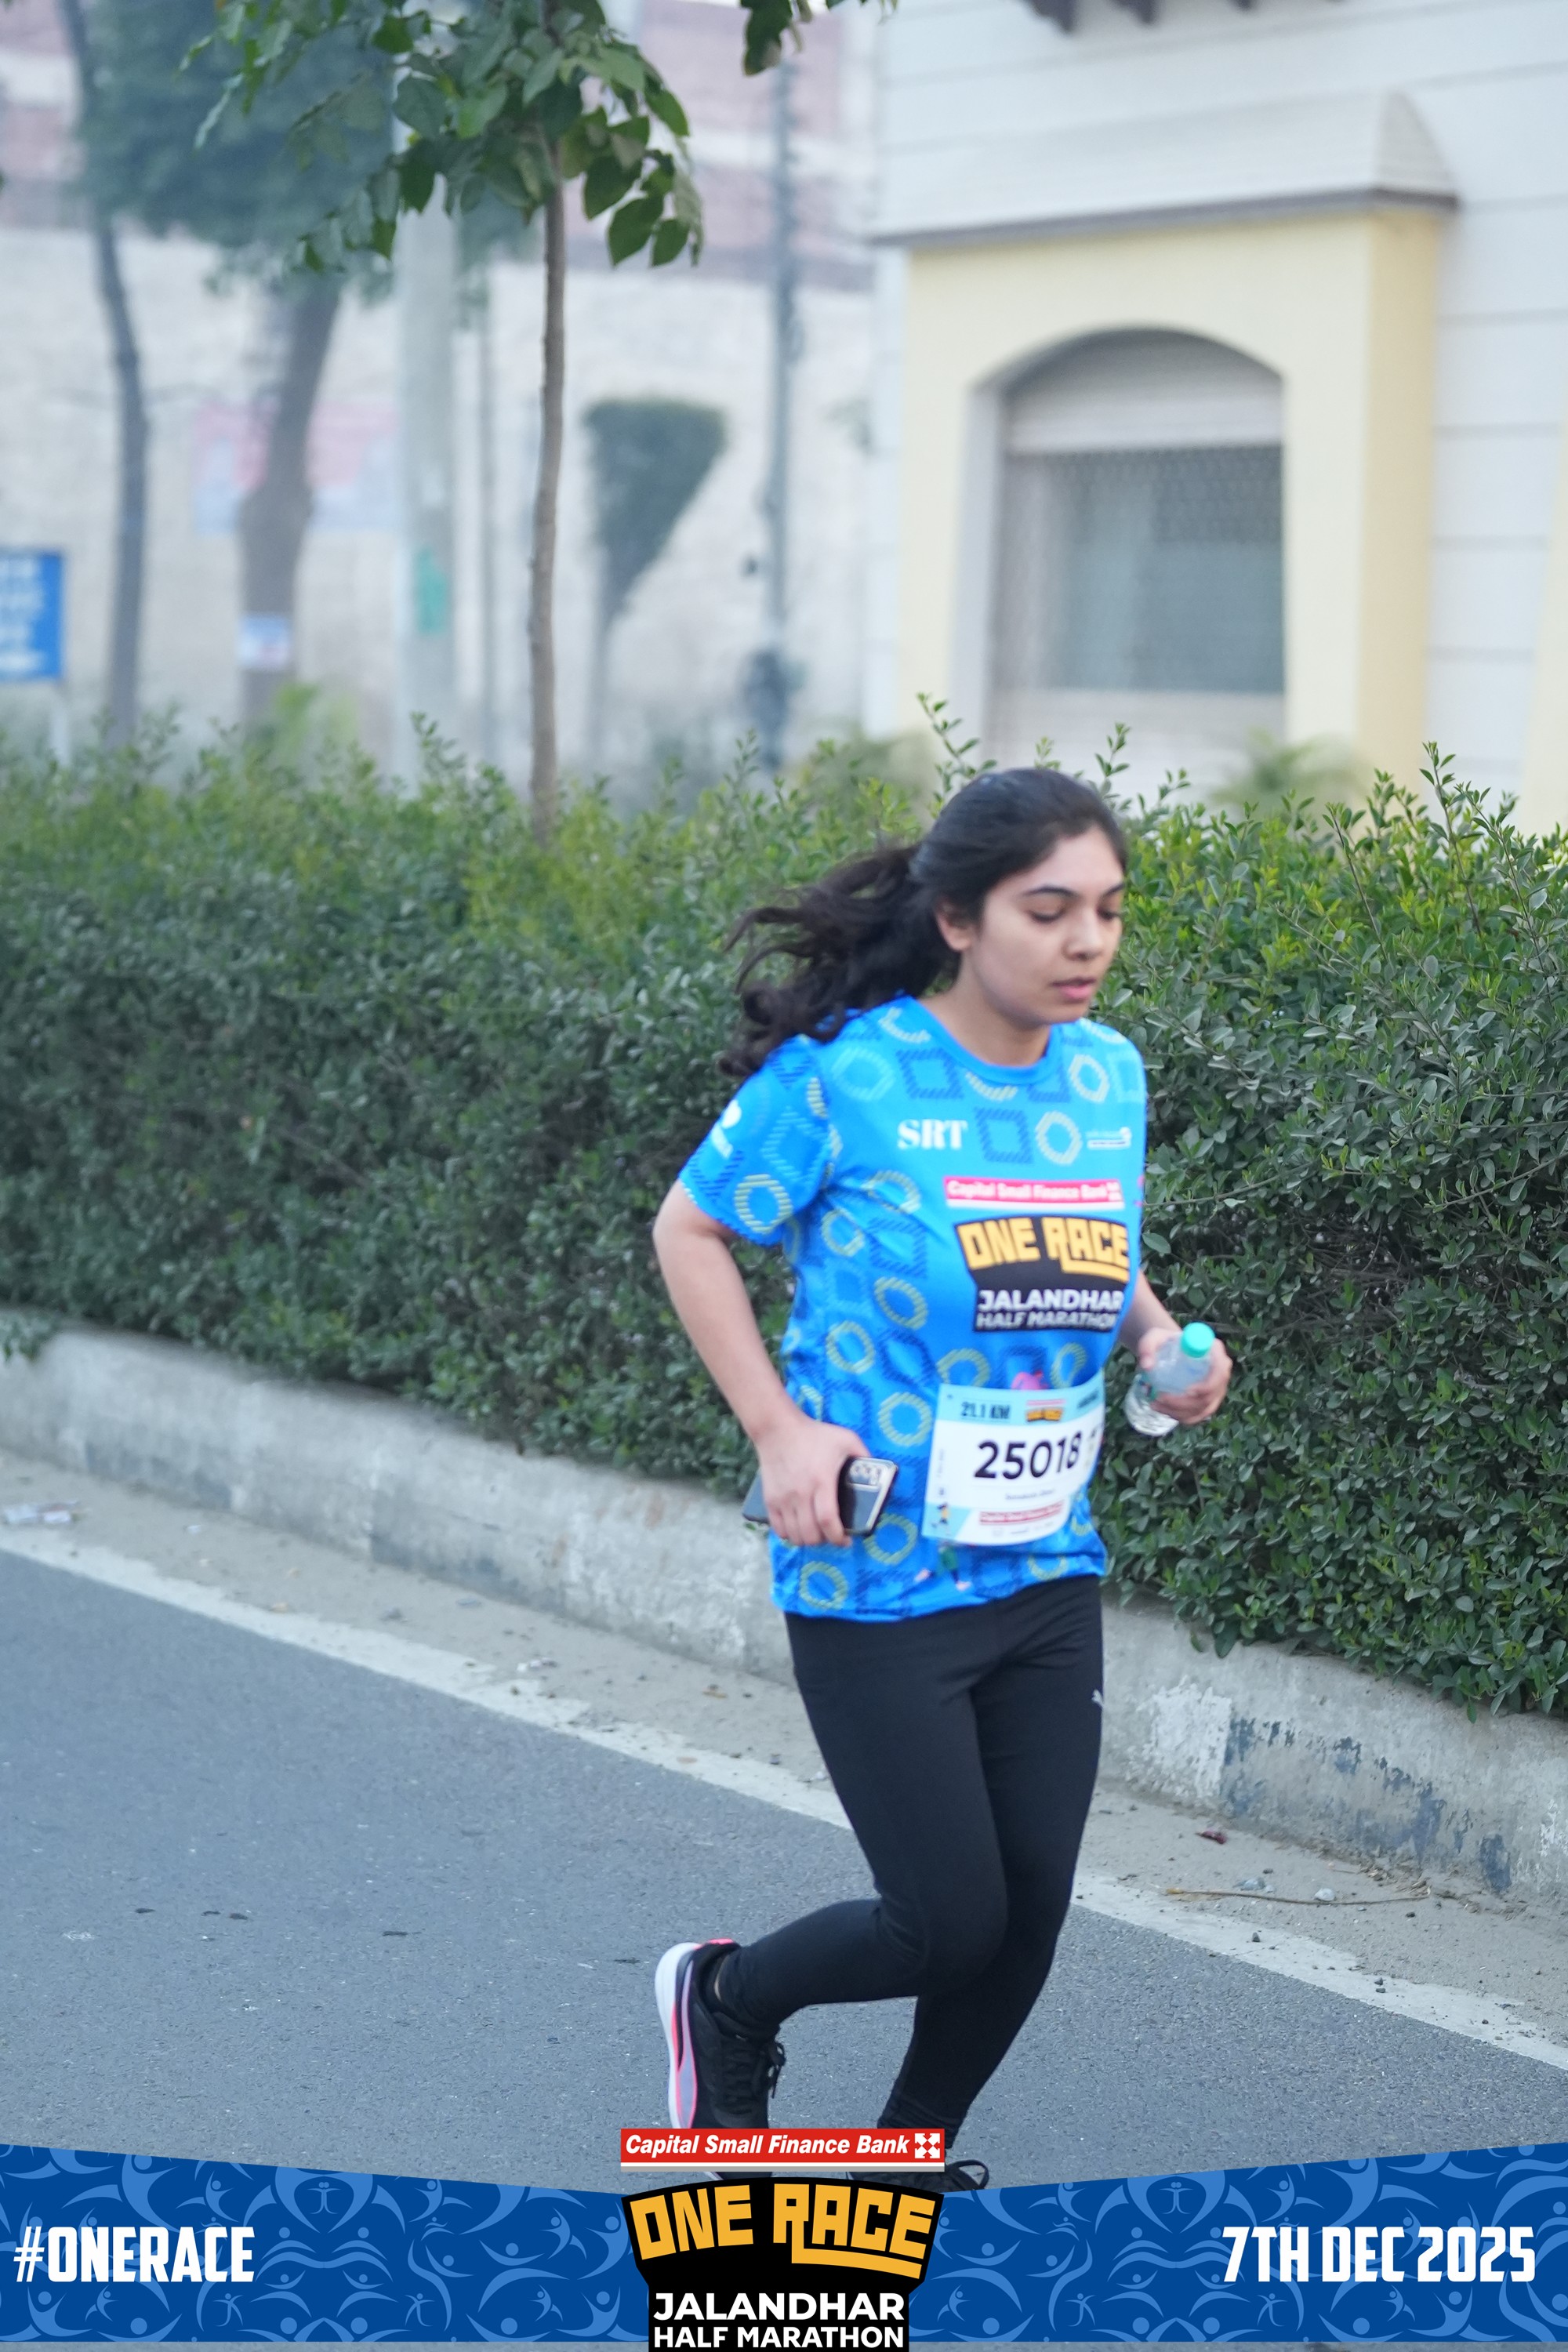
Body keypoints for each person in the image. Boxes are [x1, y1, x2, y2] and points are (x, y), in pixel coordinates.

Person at [649, 767, 1232, 2189]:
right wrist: (779, 1431)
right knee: (944, 1919)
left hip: (1044, 1560)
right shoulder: (847, 1076)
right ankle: (724, 1998)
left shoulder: (1106, 1076)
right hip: (879, 1570)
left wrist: (1161, 1342)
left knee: (1027, 1916)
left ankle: (899, 2160)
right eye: (1051, 909)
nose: (1088, 941)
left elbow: (1081, 1241)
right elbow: (691, 1230)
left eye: (1109, 910)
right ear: (960, 919)